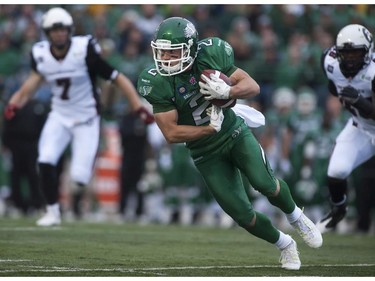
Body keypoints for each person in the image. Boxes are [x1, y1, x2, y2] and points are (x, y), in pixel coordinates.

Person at [137, 16, 322, 271]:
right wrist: (207, 130)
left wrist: (228, 92)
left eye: (172, 52)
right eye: (162, 52)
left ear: (190, 48)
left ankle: (296, 217)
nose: (165, 59)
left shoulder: (210, 53)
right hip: (204, 151)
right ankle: (285, 244)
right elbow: (170, 133)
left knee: (264, 183)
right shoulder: (155, 80)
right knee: (242, 216)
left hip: (233, 132)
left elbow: (252, 86)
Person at [3, 7, 154, 226]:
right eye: (55, 30)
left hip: (86, 118)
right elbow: (31, 85)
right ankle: (53, 212)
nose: (60, 33)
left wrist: (137, 106)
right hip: (60, 115)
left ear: (70, 30)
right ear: (47, 32)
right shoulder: (42, 54)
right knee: (45, 160)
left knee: (80, 177)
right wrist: (14, 104)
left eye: (63, 29)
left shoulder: (84, 51)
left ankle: (75, 198)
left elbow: (117, 77)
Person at [317, 24, 375, 233]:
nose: (350, 58)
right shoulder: (329, 61)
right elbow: (334, 86)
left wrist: (359, 101)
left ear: (367, 52)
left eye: (355, 53)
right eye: (346, 53)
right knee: (336, 170)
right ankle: (339, 209)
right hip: (360, 127)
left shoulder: (373, 72)